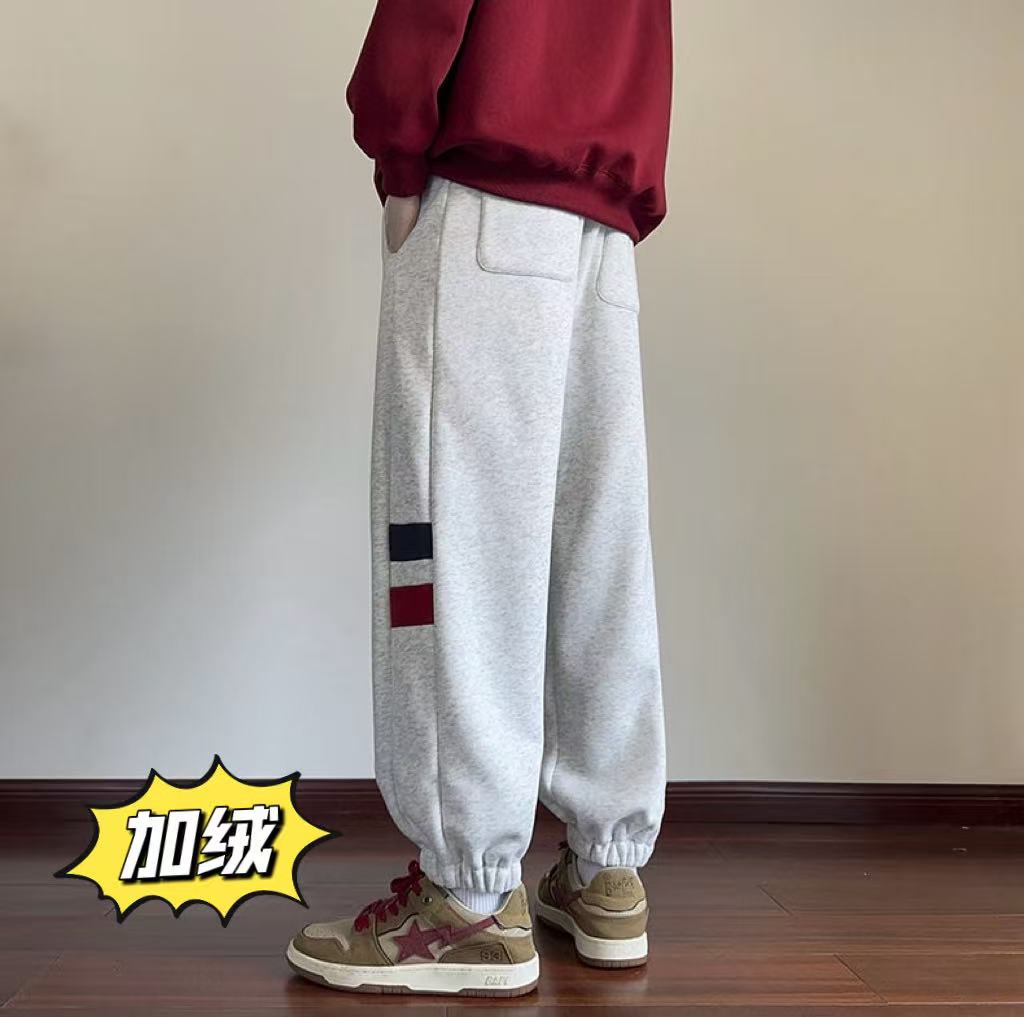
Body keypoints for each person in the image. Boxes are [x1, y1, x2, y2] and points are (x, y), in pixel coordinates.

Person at [287, 0, 672, 997]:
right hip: (602, 226)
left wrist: (397, 154)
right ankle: (605, 864)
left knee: (444, 550)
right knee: (597, 552)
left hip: (487, 206)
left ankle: (465, 900)